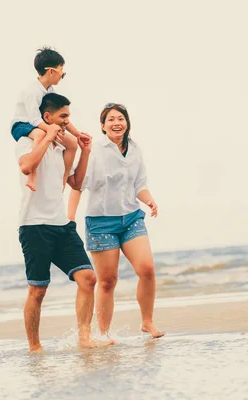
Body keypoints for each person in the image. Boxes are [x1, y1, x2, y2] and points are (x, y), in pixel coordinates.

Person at [16, 93, 114, 351]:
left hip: (61, 225)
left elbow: (76, 183)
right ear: (46, 118)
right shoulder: (28, 141)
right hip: (34, 226)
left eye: (69, 117)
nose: (67, 123)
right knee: (38, 291)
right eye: (63, 117)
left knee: (88, 278)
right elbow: (26, 166)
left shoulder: (64, 148)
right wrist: (47, 136)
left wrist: (86, 151)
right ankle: (34, 347)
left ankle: (84, 338)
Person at [68, 103, 164, 339]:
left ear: (127, 123)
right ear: (103, 126)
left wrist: (150, 201)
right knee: (108, 281)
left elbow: (139, 185)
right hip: (101, 222)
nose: (116, 123)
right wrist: (70, 217)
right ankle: (104, 333)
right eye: (110, 119)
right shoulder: (95, 151)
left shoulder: (135, 149)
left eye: (120, 118)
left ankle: (147, 322)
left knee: (147, 269)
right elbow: (79, 183)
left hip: (131, 217)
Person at [10, 47, 89, 192]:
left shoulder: (50, 90)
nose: (62, 76)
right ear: (51, 71)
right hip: (22, 125)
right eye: (62, 72)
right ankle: (32, 176)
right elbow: (34, 119)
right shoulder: (32, 91)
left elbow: (60, 116)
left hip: (39, 125)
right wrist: (51, 129)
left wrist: (77, 134)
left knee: (71, 142)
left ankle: (63, 179)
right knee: (40, 135)